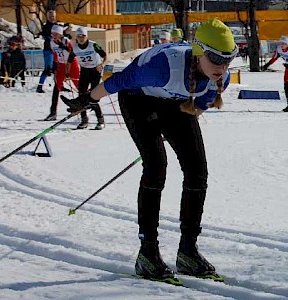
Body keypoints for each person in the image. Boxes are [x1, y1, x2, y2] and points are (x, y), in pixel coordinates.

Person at [61, 18, 237, 281]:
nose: (222, 67)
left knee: (197, 170)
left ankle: (188, 251)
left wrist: (175, 134)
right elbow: (117, 82)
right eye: (215, 58)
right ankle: (148, 253)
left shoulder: (217, 78)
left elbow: (197, 109)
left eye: (228, 59)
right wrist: (85, 100)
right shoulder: (162, 67)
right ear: (200, 51)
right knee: (156, 166)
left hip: (174, 103)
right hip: (137, 99)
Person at [68, 26, 106, 130]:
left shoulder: (93, 45)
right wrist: (67, 73)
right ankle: (84, 120)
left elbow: (105, 55)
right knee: (81, 96)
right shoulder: (75, 47)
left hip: (95, 71)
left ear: (86, 36)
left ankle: (100, 120)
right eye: (79, 36)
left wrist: (101, 65)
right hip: (84, 71)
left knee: (93, 97)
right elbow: (70, 60)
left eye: (83, 36)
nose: (81, 38)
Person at [43, 24, 79, 121]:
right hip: (61, 65)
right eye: (52, 33)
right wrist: (54, 65)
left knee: (78, 85)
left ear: (60, 34)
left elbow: (73, 52)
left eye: (56, 33)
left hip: (71, 64)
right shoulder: (52, 42)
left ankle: (86, 104)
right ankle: (53, 112)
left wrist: (63, 46)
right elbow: (55, 54)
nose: (53, 35)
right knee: (57, 87)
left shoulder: (66, 41)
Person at [262, 35, 288, 112]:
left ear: (287, 44)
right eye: (281, 43)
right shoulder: (279, 49)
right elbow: (274, 58)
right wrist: (267, 65)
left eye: (284, 43)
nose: (282, 45)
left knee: (287, 86)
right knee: (286, 86)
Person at [36, 10, 57, 93]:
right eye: (50, 16)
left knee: (57, 68)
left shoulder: (56, 25)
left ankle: (59, 85)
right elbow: (45, 35)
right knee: (47, 69)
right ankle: (39, 86)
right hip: (48, 50)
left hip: (56, 50)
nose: (52, 18)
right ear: (48, 17)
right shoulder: (46, 26)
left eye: (53, 16)